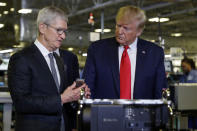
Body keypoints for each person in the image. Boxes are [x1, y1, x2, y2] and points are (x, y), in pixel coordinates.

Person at [8, 6, 90, 131]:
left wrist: (77, 96)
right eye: (59, 30)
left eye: (65, 31)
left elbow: (67, 101)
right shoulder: (21, 59)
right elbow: (21, 103)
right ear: (42, 28)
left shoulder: (63, 59)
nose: (63, 36)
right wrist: (62, 98)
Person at [83, 5, 167, 99]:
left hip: (142, 112)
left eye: (126, 28)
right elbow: (88, 88)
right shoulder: (97, 50)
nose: (119, 31)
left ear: (139, 31)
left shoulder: (154, 53)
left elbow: (160, 92)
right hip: (105, 112)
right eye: (118, 26)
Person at [180, 57, 197, 129]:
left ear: (189, 65)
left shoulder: (195, 74)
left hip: (194, 105)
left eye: (184, 66)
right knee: (189, 125)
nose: (183, 68)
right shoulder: (184, 76)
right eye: (182, 67)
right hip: (187, 106)